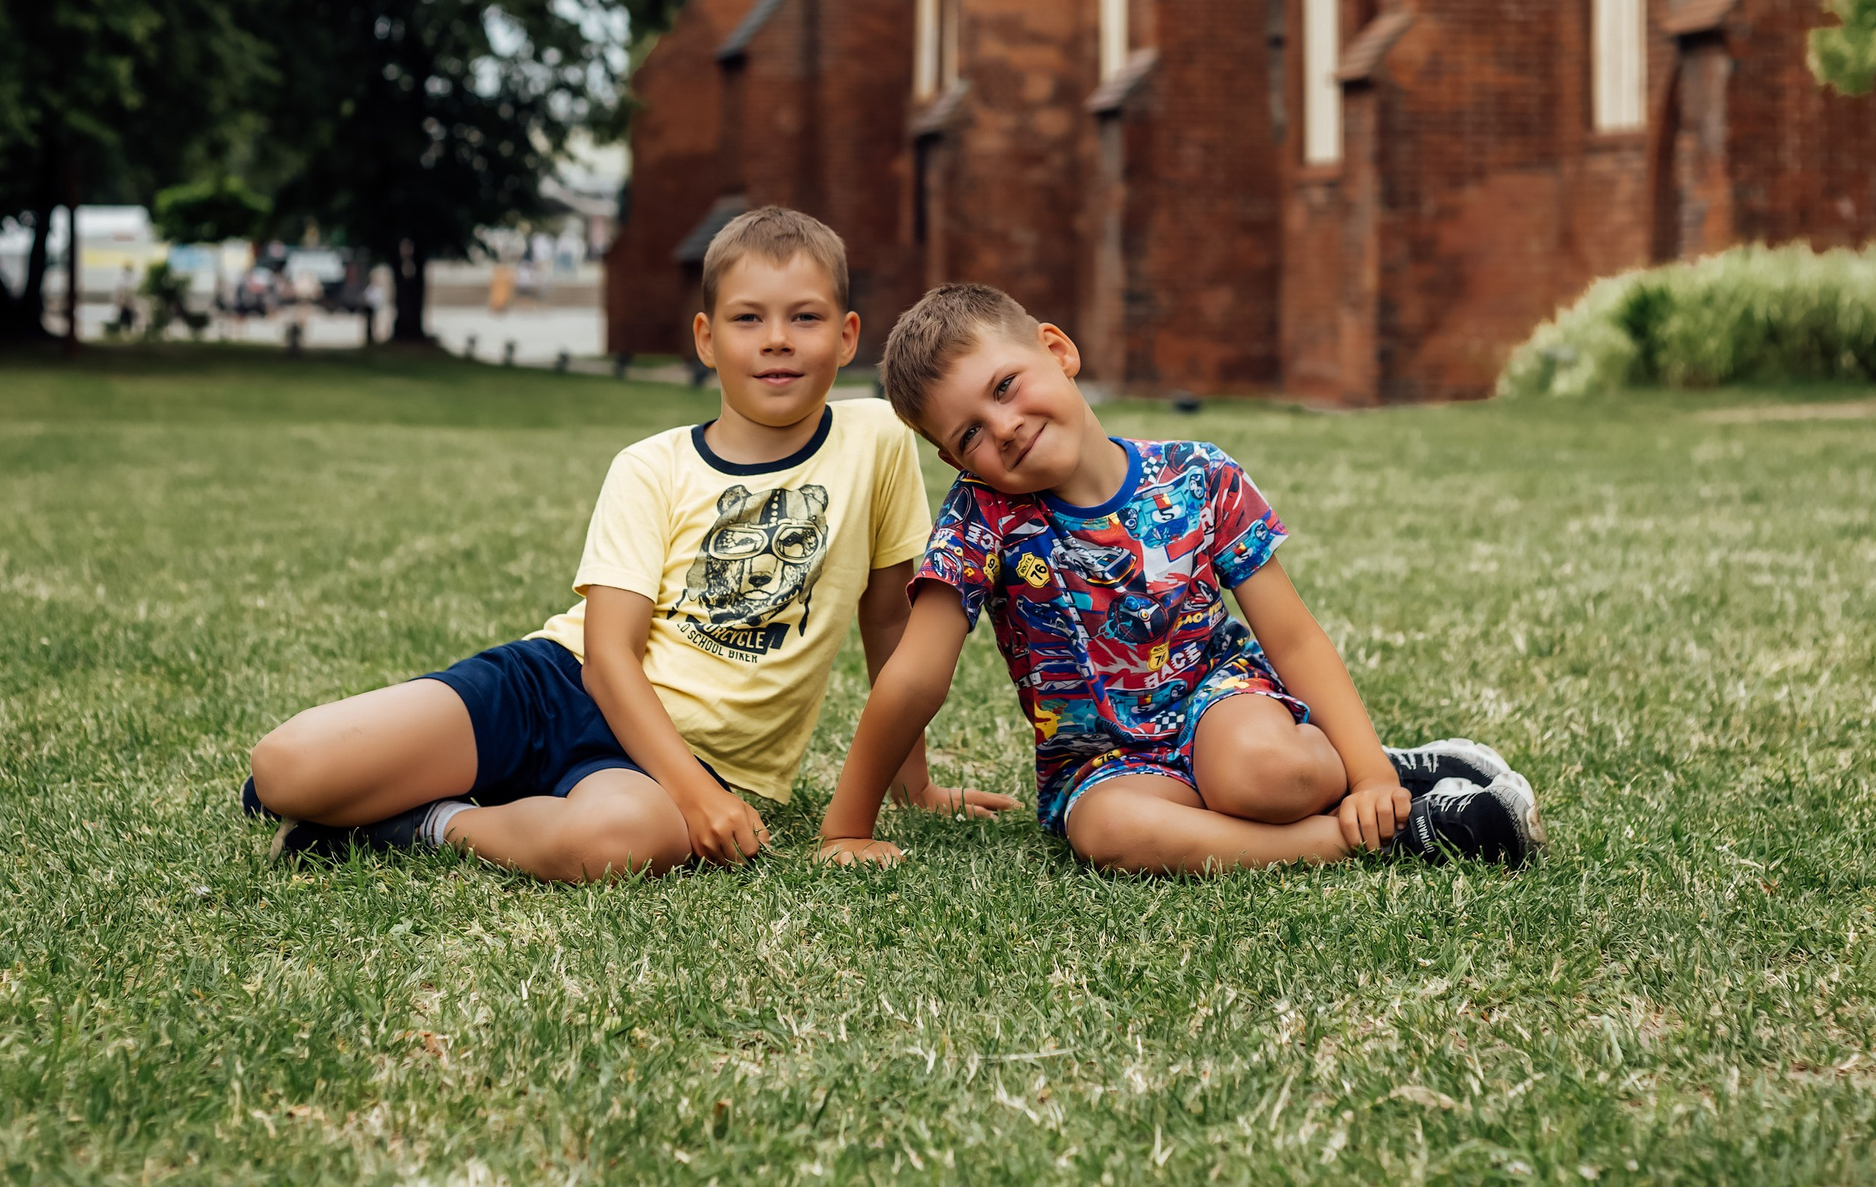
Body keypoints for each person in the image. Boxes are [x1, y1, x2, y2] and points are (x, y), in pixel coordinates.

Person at [244, 208, 1015, 882]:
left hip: (672, 758)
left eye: (805, 317)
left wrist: (911, 786)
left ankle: (418, 824)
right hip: (554, 685)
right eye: (748, 319)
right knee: (285, 767)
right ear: (707, 339)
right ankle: (373, 784)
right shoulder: (650, 465)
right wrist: (700, 803)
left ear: (847, 335)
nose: (777, 340)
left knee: (618, 843)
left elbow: (889, 625)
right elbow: (608, 657)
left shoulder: (877, 439)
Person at [817, 282, 1545, 876]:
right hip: (1103, 762)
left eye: (1005, 386)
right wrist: (847, 826)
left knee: (1262, 776)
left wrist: (1368, 776)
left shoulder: (1199, 476)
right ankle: (1381, 837)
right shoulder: (982, 518)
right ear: (958, 462)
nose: (1002, 426)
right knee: (1107, 833)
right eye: (969, 431)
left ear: (1057, 349)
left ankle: (1391, 769)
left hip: (1220, 703)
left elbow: (1291, 637)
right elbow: (915, 675)